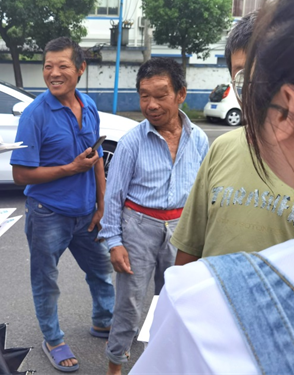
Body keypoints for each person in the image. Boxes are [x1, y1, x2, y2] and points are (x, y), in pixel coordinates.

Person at [131, 0, 294, 372]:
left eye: (255, 84)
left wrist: (188, 303)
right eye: (239, 81)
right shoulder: (222, 149)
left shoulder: (202, 300)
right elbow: (190, 245)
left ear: (287, 110)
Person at [10, 37, 114, 372]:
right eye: (48, 67)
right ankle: (53, 339)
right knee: (47, 281)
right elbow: (20, 175)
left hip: (86, 213)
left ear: (80, 69)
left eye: (62, 66)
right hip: (48, 214)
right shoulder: (34, 115)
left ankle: (103, 322)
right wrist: (69, 169)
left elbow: (97, 158)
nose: (53, 73)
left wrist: (102, 205)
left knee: (101, 271)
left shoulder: (90, 106)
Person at [170, 12, 294, 266]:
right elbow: (189, 250)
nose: (255, 86)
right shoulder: (221, 149)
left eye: (264, 71)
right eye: (242, 74)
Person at [99, 58, 208, 375]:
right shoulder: (131, 142)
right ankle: (115, 365)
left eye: (160, 95)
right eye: (144, 96)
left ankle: (163, 363)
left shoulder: (199, 140)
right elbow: (113, 195)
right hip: (138, 227)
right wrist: (114, 242)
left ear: (181, 94)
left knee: (174, 301)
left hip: (181, 230)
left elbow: (202, 194)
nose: (151, 105)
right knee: (129, 304)